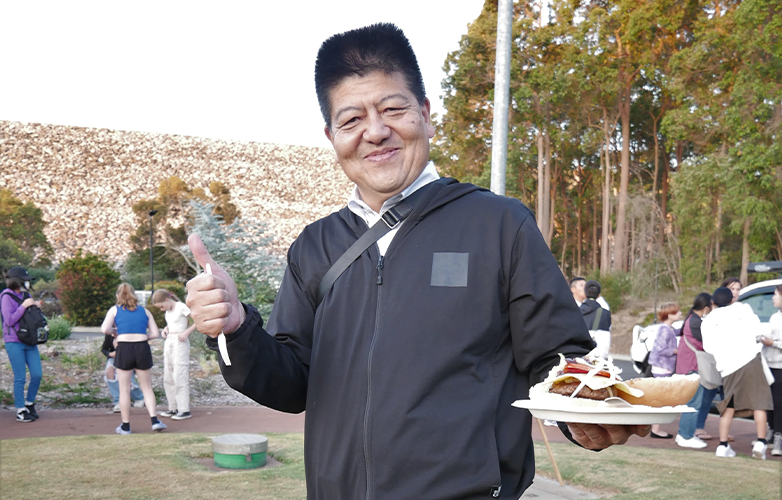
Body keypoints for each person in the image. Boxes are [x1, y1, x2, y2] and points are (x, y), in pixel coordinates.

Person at [185, 23, 649, 499]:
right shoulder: (315, 245)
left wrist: (587, 416)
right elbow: (290, 385)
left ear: (426, 115)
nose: (376, 132)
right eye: (351, 120)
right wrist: (238, 329)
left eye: (393, 109)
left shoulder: (498, 224)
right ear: (331, 136)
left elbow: (557, 360)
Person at [702, 287, 773, 459]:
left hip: (728, 366)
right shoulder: (743, 309)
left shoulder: (709, 320)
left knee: (729, 405)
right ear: (731, 299)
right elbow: (758, 331)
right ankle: (761, 443)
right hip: (750, 360)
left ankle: (723, 445)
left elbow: (708, 348)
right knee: (759, 402)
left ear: (713, 303)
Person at [101, 283, 166, 435]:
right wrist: (143, 336)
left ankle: (125, 426)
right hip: (142, 347)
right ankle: (154, 420)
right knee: (147, 387)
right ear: (134, 295)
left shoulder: (114, 310)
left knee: (124, 389)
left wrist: (115, 332)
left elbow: (104, 329)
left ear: (118, 296)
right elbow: (155, 333)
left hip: (124, 348)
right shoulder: (144, 310)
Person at [674, 292, 716, 448]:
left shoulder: (691, 319)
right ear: (705, 307)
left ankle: (685, 434)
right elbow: (707, 343)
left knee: (691, 402)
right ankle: (685, 435)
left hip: (687, 366)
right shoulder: (696, 322)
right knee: (693, 403)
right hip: (692, 367)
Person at [1, 266, 42, 423]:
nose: (27, 282)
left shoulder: (26, 295)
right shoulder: (6, 297)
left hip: (29, 339)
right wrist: (24, 306)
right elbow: (9, 320)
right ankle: (20, 409)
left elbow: (32, 317)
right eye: (25, 280)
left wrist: (35, 307)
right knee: (20, 377)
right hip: (14, 341)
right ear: (17, 281)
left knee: (37, 374)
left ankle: (29, 403)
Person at [151, 289, 196, 420]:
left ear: (167, 300)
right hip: (169, 341)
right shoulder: (168, 311)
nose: (161, 309)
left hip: (180, 343)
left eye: (161, 306)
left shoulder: (181, 307)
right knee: (168, 376)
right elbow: (172, 324)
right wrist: (166, 329)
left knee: (179, 375)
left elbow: (197, 320)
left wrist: (186, 332)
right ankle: (173, 407)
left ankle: (184, 409)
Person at [648, 302, 682, 439]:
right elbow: (661, 350)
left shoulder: (669, 328)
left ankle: (655, 428)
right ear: (670, 315)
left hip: (663, 367)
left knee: (660, 398)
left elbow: (676, 333)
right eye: (677, 312)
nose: (680, 314)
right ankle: (655, 429)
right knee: (661, 399)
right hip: (661, 367)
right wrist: (677, 351)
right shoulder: (664, 330)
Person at [758, 284, 782, 456]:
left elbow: (776, 341)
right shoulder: (775, 316)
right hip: (769, 365)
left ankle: (779, 437)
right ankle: (772, 431)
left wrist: (772, 343)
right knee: (769, 401)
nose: (773, 298)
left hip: (780, 366)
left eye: (775, 294)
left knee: (779, 403)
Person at [100, 331, 146, 412]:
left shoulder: (129, 331)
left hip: (130, 356)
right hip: (114, 357)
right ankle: (118, 401)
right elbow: (104, 349)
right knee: (109, 372)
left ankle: (139, 397)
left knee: (127, 377)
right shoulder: (109, 334)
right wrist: (111, 354)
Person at [579, 280, 611, 359]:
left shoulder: (575, 312)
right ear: (598, 295)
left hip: (576, 359)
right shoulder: (604, 314)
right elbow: (604, 346)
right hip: (595, 361)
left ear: (585, 293)